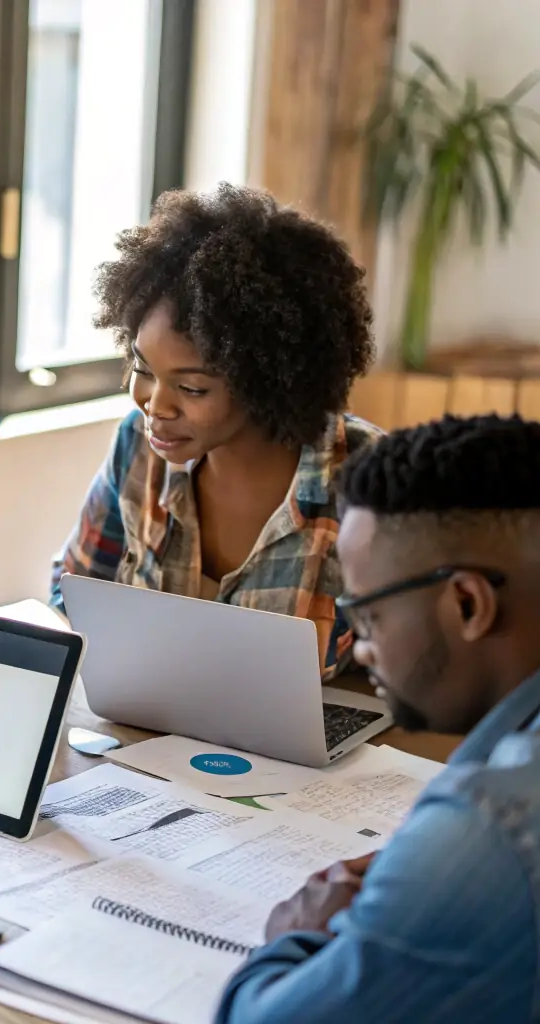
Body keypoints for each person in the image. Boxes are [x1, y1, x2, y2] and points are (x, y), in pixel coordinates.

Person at [215, 414, 540, 1023]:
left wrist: (296, 935)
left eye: (367, 617)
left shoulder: (491, 828)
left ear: (468, 604)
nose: (362, 648)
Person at [52, 184, 379, 674]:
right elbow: (72, 589)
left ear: (265, 377)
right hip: (143, 731)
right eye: (143, 370)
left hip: (301, 750)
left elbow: (410, 681)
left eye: (192, 389)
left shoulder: (368, 478)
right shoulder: (136, 447)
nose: (154, 406)